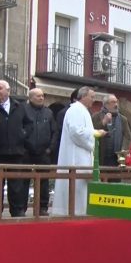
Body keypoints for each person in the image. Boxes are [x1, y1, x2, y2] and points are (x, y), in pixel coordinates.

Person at [0, 80, 30, 217]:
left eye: (0, 88)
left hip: (16, 152)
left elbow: (28, 125)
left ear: (8, 91)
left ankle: (17, 211)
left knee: (16, 185)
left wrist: (23, 135)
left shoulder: (19, 107)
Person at [53, 87, 104, 216]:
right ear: (83, 96)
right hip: (76, 158)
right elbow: (77, 132)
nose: (94, 100)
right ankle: (74, 213)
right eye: (92, 97)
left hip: (82, 156)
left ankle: (81, 212)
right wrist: (95, 133)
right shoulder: (76, 110)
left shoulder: (82, 110)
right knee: (76, 189)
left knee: (82, 190)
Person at [23, 88, 57, 216]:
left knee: (44, 181)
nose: (41, 98)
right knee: (23, 180)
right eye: (38, 96)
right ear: (31, 98)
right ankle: (21, 207)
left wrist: (50, 148)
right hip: (27, 151)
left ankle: (42, 207)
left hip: (44, 152)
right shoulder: (23, 110)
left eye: (42, 96)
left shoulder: (48, 112)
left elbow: (54, 131)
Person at [92, 93, 123, 166]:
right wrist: (104, 121)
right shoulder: (96, 116)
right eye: (113, 102)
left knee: (116, 177)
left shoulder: (123, 119)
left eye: (116, 102)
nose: (116, 104)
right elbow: (92, 132)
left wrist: (123, 152)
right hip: (101, 157)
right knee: (101, 177)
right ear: (106, 104)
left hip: (117, 159)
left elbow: (128, 137)